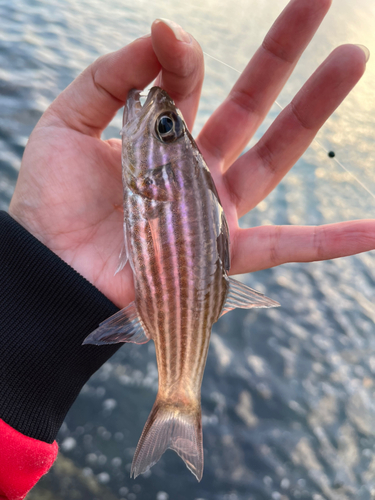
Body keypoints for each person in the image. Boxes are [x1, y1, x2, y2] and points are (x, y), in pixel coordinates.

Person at [0, 1, 373, 498]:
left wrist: (35, 301)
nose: (151, 113)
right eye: (167, 127)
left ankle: (179, 403)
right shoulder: (150, 184)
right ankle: (179, 402)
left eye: (164, 129)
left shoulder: (158, 183)